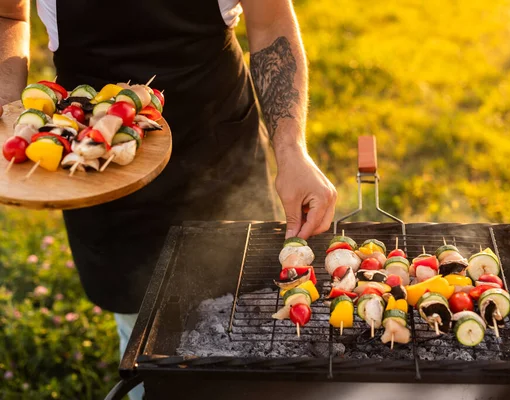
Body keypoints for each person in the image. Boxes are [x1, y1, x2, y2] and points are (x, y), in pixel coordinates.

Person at [0, 0, 337, 398]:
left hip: (216, 140)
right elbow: (7, 12)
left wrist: (291, 150)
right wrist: (7, 111)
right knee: (142, 332)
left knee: (248, 306)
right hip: (96, 155)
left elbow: (271, 22)